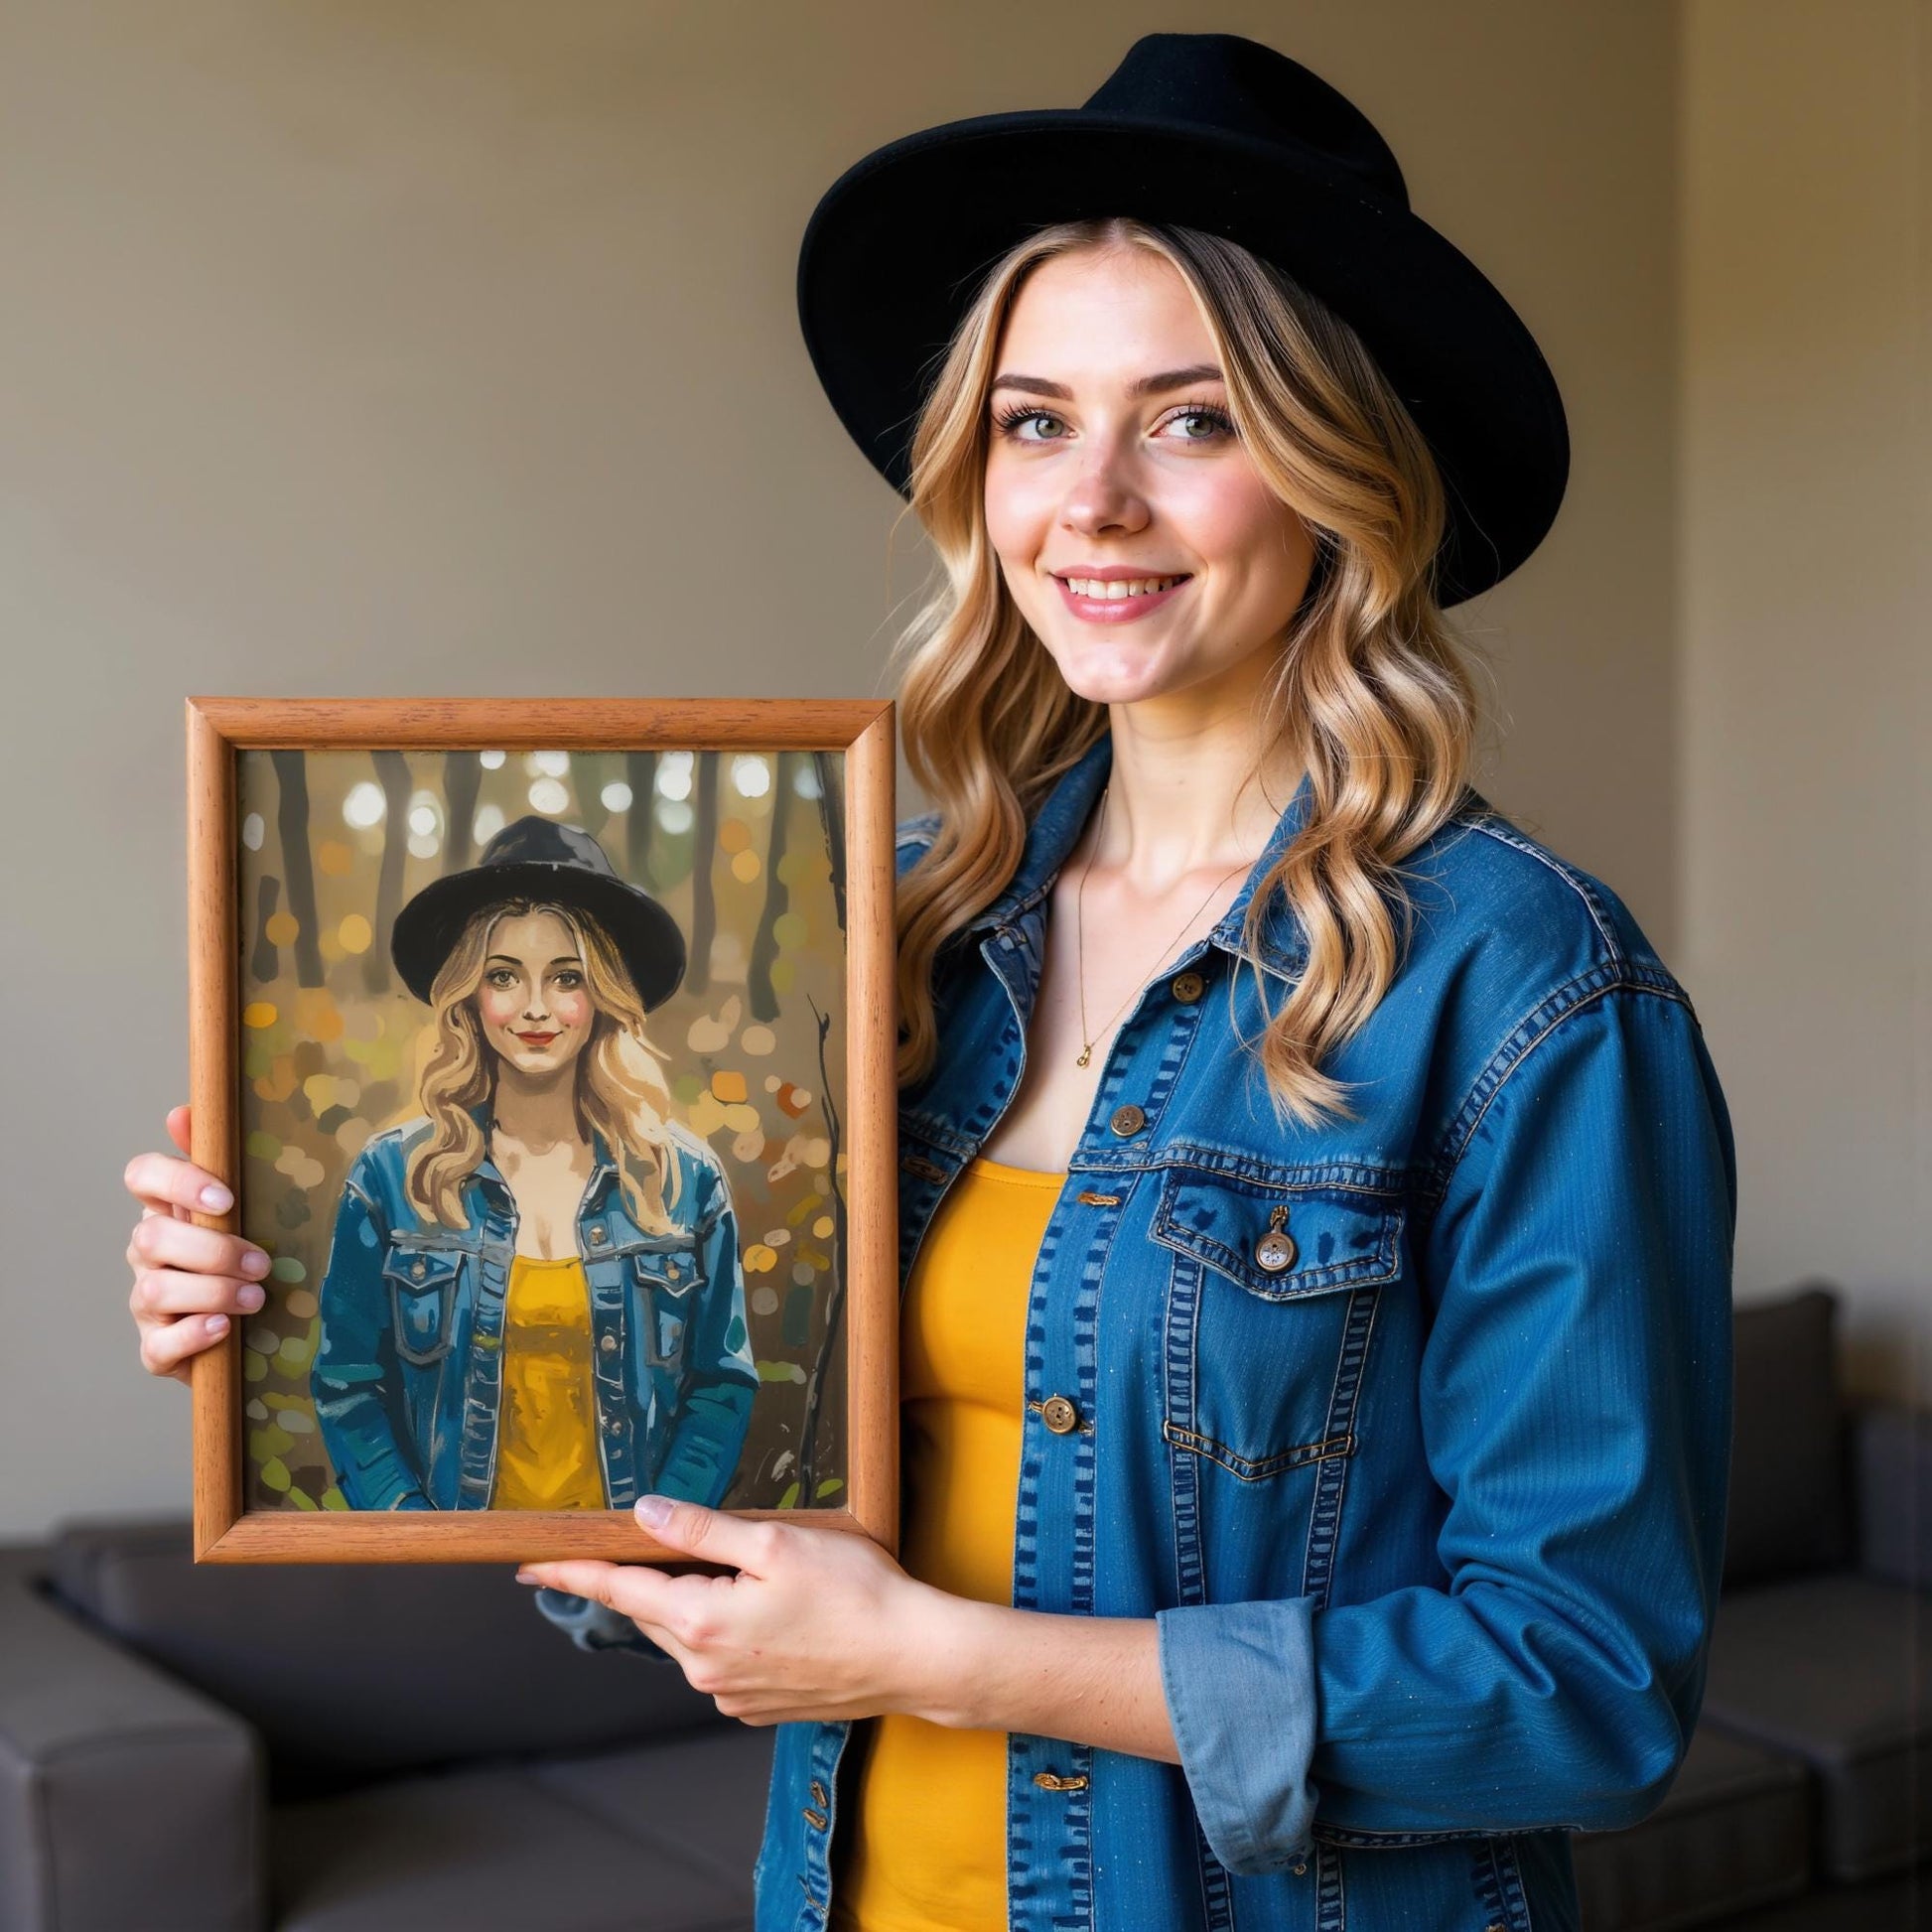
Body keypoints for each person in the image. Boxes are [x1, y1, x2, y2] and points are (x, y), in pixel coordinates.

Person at [123, 31, 1736, 1932]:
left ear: (1340, 474)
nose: (1093, 504)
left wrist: (936, 1660)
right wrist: (309, 1306)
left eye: (1195, 420)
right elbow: (700, 1479)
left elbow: (1581, 1690)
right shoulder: (891, 932)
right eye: (1036, 421)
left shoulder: (1525, 984)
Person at [135, 812, 759, 1515]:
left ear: (603, 997)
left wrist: (658, 1539)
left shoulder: (683, 1179)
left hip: (638, 1583)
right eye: (503, 976)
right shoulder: (391, 1178)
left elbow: (721, 1385)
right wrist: (414, 1533)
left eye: (565, 978)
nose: (534, 1008)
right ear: (469, 994)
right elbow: (347, 1381)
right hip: (444, 1580)